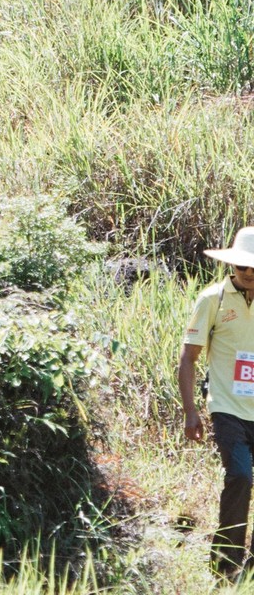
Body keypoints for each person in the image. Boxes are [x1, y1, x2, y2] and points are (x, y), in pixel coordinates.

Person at [179, 227, 254, 580]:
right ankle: (224, 566)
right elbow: (189, 357)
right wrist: (191, 411)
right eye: (243, 268)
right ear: (233, 267)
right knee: (240, 475)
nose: (250, 274)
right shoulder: (213, 300)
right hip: (227, 407)